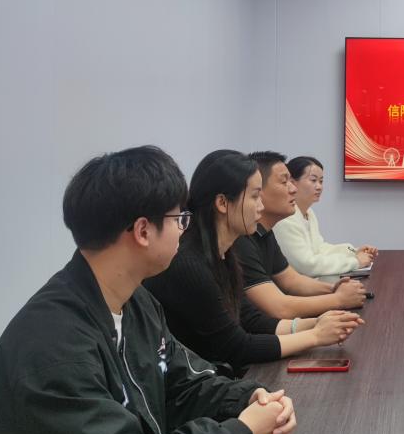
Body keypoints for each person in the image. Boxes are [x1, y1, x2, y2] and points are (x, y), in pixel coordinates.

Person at [0, 146, 296, 434]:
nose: (183, 229)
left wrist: (249, 398)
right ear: (143, 230)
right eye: (179, 219)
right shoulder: (53, 350)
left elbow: (181, 382)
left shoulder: (135, 301)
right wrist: (242, 432)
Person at [144, 150, 362, 375]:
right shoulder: (190, 263)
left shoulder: (225, 252)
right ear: (222, 203)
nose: (261, 206)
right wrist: (315, 335)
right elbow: (236, 347)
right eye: (255, 196)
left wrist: (316, 323)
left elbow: (249, 319)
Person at [233, 152, 369, 320]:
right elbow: (279, 308)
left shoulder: (265, 232)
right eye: (285, 182)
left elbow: (291, 280)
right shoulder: (241, 241)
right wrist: (338, 299)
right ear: (259, 191)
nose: (293, 189)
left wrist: (335, 289)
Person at [273, 155, 378, 277]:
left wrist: (353, 252)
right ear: (292, 182)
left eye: (321, 181)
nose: (319, 187)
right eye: (313, 180)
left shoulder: (309, 212)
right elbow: (307, 265)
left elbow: (320, 249)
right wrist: (355, 262)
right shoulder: (285, 218)